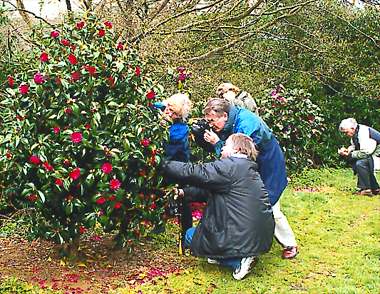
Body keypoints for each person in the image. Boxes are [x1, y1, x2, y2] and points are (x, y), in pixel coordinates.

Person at [162, 133, 275, 280]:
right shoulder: (245, 169)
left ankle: (236, 262)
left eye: (226, 145)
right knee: (203, 237)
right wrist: (184, 192)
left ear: (237, 149)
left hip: (242, 233)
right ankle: (232, 256)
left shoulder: (230, 166)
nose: (221, 149)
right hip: (257, 234)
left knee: (191, 236)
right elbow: (209, 191)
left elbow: (195, 172)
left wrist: (162, 164)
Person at [200, 98, 298, 259]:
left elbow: (234, 157)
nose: (211, 125)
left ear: (224, 115)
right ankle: (249, 243)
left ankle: (289, 243)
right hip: (254, 163)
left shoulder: (246, 125)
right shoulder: (233, 118)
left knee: (269, 204)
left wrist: (217, 143)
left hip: (268, 164)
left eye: (212, 120)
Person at [152, 93, 191, 236]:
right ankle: (158, 226)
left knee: (182, 198)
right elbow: (152, 104)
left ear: (179, 115)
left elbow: (167, 146)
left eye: (172, 111)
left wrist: (163, 123)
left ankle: (187, 232)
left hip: (179, 168)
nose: (167, 112)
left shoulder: (180, 130)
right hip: (166, 165)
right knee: (158, 194)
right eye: (167, 107)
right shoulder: (165, 109)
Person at [338, 118, 380, 196]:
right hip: (372, 151)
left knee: (361, 163)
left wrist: (350, 155)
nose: (345, 134)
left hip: (377, 151)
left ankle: (366, 189)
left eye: (346, 132)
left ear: (352, 128)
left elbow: (365, 152)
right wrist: (348, 150)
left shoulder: (363, 133)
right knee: (359, 161)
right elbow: (355, 145)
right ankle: (375, 188)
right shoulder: (356, 131)